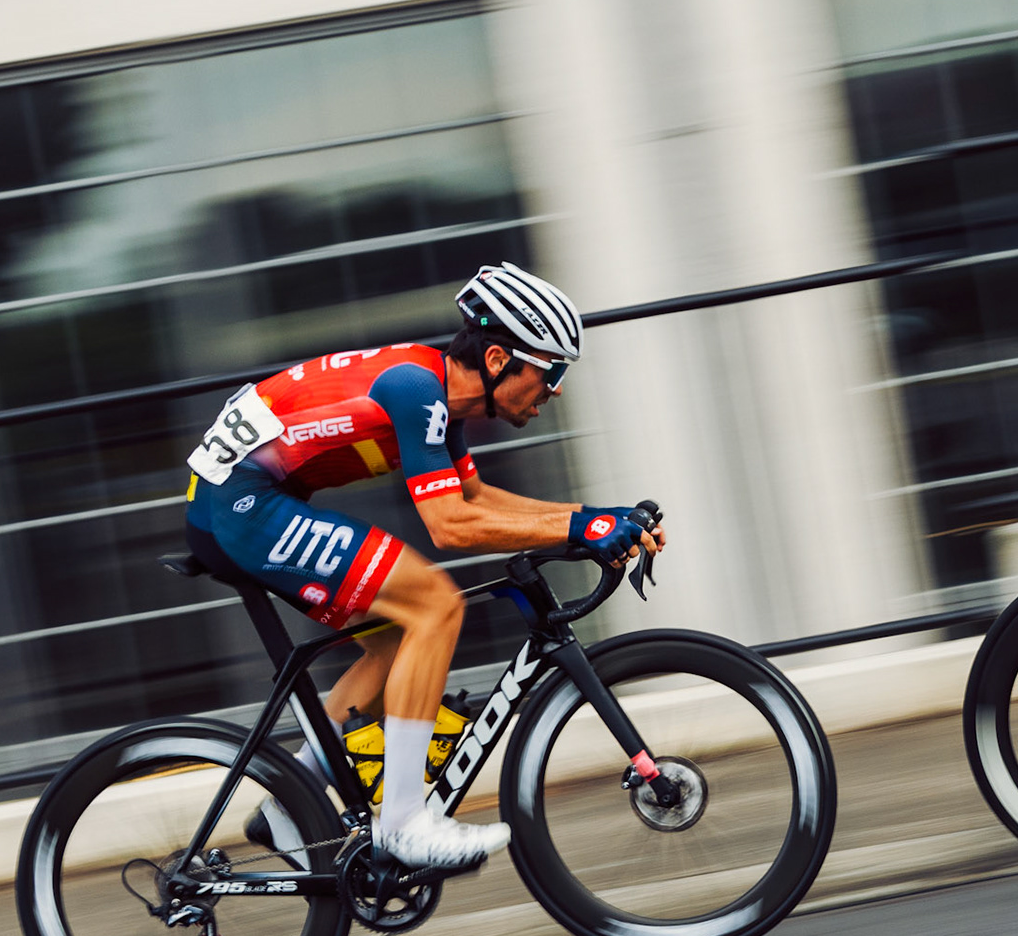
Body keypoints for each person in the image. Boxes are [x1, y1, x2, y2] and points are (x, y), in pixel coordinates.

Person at [183, 262, 664, 868]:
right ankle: (405, 824)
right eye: (551, 371)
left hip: (242, 502)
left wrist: (593, 517)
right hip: (238, 506)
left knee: (392, 644)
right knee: (434, 605)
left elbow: (475, 499)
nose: (557, 389)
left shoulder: (439, 398)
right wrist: (583, 529)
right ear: (498, 361)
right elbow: (449, 525)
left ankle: (288, 806)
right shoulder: (416, 390)